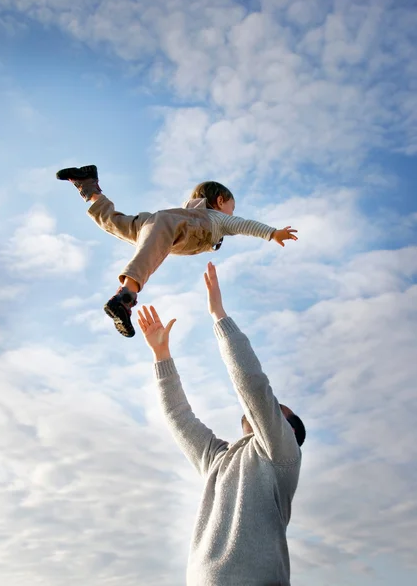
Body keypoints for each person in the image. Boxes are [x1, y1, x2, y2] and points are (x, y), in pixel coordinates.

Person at [138, 261, 305, 586]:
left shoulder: (282, 455)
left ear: (290, 429)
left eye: (278, 408)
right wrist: (161, 356)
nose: (270, 408)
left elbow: (253, 386)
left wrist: (218, 316)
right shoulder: (219, 459)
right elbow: (179, 418)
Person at [56, 165, 298, 338]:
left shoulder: (189, 210)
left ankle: (89, 186)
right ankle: (125, 296)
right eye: (231, 208)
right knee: (150, 244)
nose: (232, 214)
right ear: (221, 201)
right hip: (177, 226)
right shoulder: (217, 218)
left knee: (115, 223)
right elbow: (243, 225)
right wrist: (272, 232)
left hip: (153, 223)